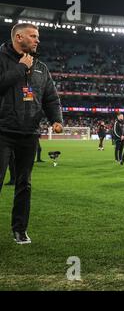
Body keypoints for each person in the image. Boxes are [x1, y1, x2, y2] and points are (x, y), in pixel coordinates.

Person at [0, 23, 63, 244]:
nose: (37, 40)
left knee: (24, 184)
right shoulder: (2, 59)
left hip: (29, 133)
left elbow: (50, 98)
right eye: (33, 36)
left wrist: (56, 119)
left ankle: (20, 229)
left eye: (38, 36)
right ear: (19, 37)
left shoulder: (41, 67)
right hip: (3, 131)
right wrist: (19, 68)